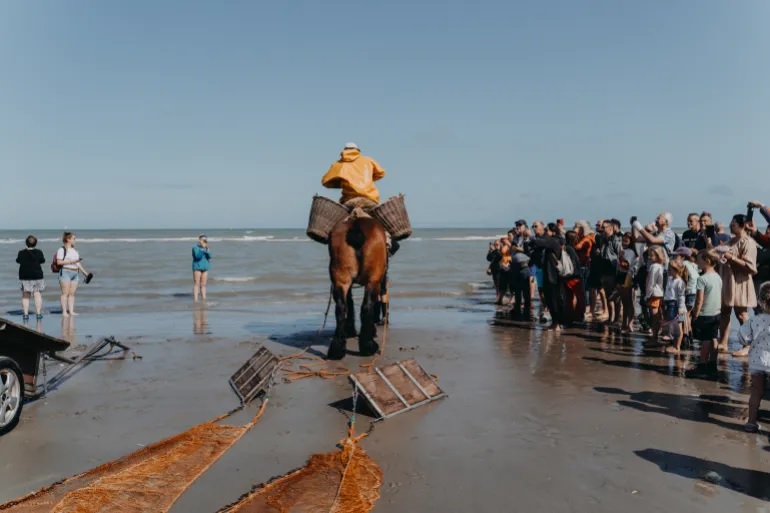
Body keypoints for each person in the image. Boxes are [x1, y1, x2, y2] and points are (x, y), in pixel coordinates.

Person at [717, 214, 758, 356]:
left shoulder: (748, 242)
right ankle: (723, 342)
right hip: (728, 281)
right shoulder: (731, 240)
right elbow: (716, 251)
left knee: (741, 314)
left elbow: (750, 267)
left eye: (733, 223)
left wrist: (732, 258)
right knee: (725, 312)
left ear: (742, 225)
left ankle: (748, 345)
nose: (730, 225)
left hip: (740, 282)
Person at [738, 281, 770, 433]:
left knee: (756, 391)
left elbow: (743, 338)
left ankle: (751, 422)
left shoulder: (755, 320)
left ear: (761, 300)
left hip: (757, 361)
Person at [686, 250, 723, 378]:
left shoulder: (702, 279)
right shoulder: (718, 276)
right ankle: (712, 364)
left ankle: (702, 365)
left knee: (706, 341)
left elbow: (699, 299)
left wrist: (695, 314)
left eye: (699, 260)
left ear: (707, 261)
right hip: (717, 313)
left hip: (705, 314)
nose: (697, 262)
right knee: (713, 338)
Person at [321, 142, 385, 212]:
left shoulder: (339, 164)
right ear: (357, 150)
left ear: (344, 150)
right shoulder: (368, 160)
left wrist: (341, 183)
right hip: (369, 200)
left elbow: (325, 181)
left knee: (334, 220)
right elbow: (381, 173)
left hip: (349, 201)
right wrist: (369, 179)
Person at [56, 232, 91, 317]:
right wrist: (72, 261)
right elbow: (59, 262)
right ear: (68, 239)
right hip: (65, 271)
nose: (75, 240)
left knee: (72, 294)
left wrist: (85, 273)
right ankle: (64, 312)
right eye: (74, 239)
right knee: (65, 293)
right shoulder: (61, 250)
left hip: (75, 273)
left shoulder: (75, 250)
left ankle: (71, 311)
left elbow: (78, 263)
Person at [16, 235, 46, 321]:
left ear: (26, 243)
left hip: (25, 276)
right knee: (37, 294)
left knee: (25, 296)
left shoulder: (21, 252)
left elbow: (18, 260)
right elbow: (42, 260)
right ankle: (38, 314)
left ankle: (25, 314)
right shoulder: (39, 252)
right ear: (36, 243)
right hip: (37, 275)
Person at [662, 259, 687, 354]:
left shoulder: (680, 282)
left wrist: (680, 309)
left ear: (677, 270)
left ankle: (677, 347)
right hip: (669, 304)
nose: (669, 271)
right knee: (671, 325)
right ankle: (674, 344)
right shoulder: (670, 279)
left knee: (678, 327)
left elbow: (681, 296)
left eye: (671, 269)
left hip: (678, 306)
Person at [192, 235, 212, 302]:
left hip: (205, 267)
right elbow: (197, 257)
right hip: (197, 267)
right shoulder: (195, 247)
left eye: (205, 240)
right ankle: (196, 300)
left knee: (203, 284)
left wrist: (207, 250)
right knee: (196, 283)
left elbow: (210, 257)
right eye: (203, 240)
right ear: (199, 240)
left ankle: (204, 299)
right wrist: (202, 250)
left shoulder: (207, 248)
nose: (204, 241)